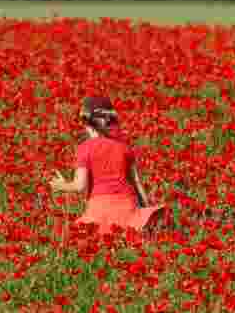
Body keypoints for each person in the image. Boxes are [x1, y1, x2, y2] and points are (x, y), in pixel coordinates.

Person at [49, 96, 168, 235]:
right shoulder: (125, 148)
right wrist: (146, 211)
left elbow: (79, 186)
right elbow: (136, 183)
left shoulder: (85, 148)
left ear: (88, 123)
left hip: (99, 208)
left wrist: (61, 185)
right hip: (127, 207)